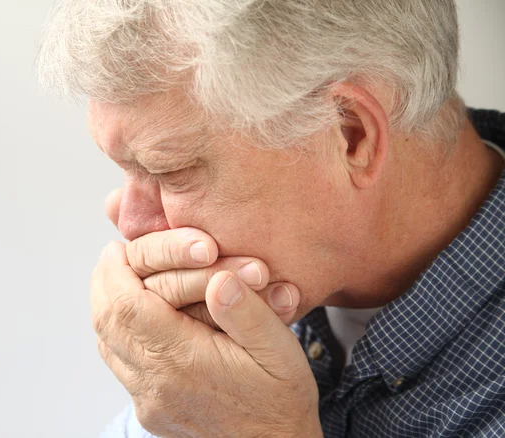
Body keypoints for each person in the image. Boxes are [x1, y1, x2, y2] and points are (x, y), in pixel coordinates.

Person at [38, 1, 505, 436]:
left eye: (169, 171)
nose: (132, 226)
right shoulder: (274, 285)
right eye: (126, 169)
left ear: (350, 135)